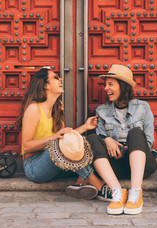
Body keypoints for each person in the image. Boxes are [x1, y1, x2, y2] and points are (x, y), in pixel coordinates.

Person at [15, 68, 106, 200]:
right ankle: (99, 185)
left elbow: (66, 138)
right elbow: (27, 146)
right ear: (45, 85)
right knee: (59, 144)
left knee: (86, 142)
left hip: (58, 164)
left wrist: (86, 127)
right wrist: (53, 138)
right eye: (56, 77)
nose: (61, 79)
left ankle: (79, 184)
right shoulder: (34, 109)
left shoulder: (58, 107)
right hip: (35, 166)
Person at [86, 64, 157, 215]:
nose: (106, 88)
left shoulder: (143, 107)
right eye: (105, 84)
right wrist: (107, 140)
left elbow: (149, 141)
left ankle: (135, 193)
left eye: (111, 84)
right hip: (115, 165)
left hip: (142, 166)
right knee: (92, 138)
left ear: (123, 86)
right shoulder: (101, 111)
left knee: (135, 133)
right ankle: (117, 193)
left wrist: (125, 149)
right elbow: (99, 139)